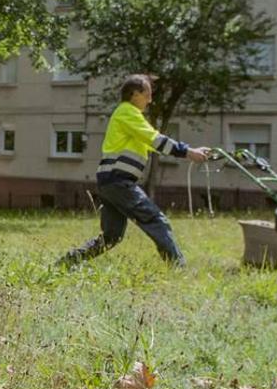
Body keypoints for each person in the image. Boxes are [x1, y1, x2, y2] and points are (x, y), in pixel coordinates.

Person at [60, 74, 209, 267]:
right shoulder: (127, 112)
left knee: (112, 236)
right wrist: (188, 152)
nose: (150, 99)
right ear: (135, 94)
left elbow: (152, 143)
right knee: (156, 220)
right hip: (119, 181)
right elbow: (153, 138)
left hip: (109, 182)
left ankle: (67, 262)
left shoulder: (127, 116)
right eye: (147, 94)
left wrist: (191, 151)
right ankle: (178, 268)